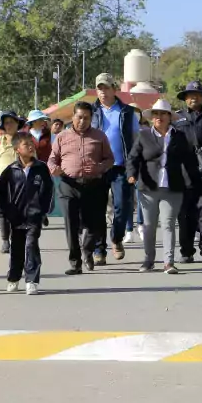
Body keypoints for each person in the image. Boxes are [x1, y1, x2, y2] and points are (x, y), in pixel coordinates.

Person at [127, 99, 202, 274]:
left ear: (169, 117)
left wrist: (196, 183)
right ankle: (149, 260)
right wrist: (132, 174)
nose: (159, 117)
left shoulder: (180, 136)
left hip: (173, 188)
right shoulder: (143, 135)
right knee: (149, 225)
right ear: (152, 117)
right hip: (148, 188)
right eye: (156, 114)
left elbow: (190, 162)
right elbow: (133, 157)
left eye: (163, 114)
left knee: (168, 223)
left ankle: (168, 262)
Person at [48, 101, 114, 275]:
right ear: (72, 117)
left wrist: (100, 168)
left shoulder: (99, 137)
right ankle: (75, 262)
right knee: (71, 223)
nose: (82, 121)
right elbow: (52, 159)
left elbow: (109, 159)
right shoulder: (62, 137)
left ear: (91, 118)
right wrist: (55, 169)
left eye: (86, 118)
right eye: (79, 117)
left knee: (96, 223)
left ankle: (87, 250)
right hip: (68, 184)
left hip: (93, 185)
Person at [0, 132, 54, 295]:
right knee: (17, 248)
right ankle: (13, 278)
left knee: (31, 245)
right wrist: (4, 210)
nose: (30, 146)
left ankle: (32, 280)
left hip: (34, 216)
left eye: (31, 143)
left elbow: (48, 190)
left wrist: (43, 210)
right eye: (25, 144)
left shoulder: (41, 168)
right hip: (16, 217)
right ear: (17, 149)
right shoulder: (10, 170)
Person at [90, 73, 139, 265]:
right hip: (98, 167)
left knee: (122, 207)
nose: (103, 91)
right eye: (99, 88)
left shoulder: (127, 112)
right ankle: (99, 249)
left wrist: (134, 165)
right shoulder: (91, 111)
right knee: (97, 210)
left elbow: (136, 140)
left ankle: (116, 238)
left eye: (106, 87)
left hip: (121, 166)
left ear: (114, 89)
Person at [173, 81, 202, 264]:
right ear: (185, 98)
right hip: (184, 173)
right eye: (190, 94)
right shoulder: (176, 118)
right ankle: (186, 251)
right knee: (184, 214)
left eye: (197, 94)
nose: (194, 97)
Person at [0, 111, 25, 254]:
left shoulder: (25, 140)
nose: (9, 125)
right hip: (3, 183)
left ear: (18, 124)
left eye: (12, 122)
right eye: (6, 123)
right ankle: (5, 240)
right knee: (4, 214)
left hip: (21, 182)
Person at [125, 103, 146, 244]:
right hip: (126, 167)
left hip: (142, 167)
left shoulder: (146, 129)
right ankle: (128, 230)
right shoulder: (125, 128)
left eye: (136, 111)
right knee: (127, 199)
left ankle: (140, 225)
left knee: (140, 198)